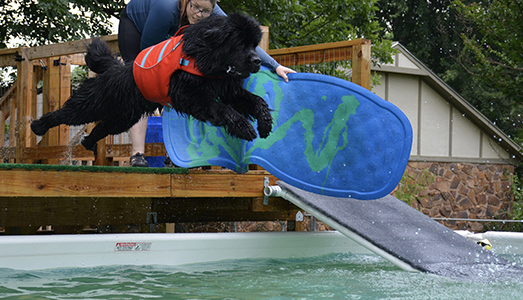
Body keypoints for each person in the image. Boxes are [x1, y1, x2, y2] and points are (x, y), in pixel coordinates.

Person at [118, 0, 295, 167]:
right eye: (195, 7)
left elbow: (244, 43)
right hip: (137, 28)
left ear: (213, 7)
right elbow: (148, 55)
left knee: (182, 90)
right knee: (140, 86)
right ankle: (138, 153)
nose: (198, 14)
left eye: (205, 11)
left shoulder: (214, 13)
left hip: (175, 27)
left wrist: (275, 66)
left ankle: (173, 153)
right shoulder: (165, 9)